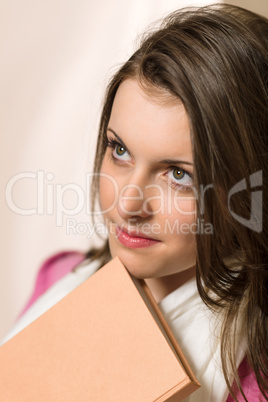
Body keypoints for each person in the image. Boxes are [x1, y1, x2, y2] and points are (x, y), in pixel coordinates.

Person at [2, 3, 267, 401]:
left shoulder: (254, 380)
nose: (128, 203)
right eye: (119, 150)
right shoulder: (60, 277)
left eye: (179, 175)